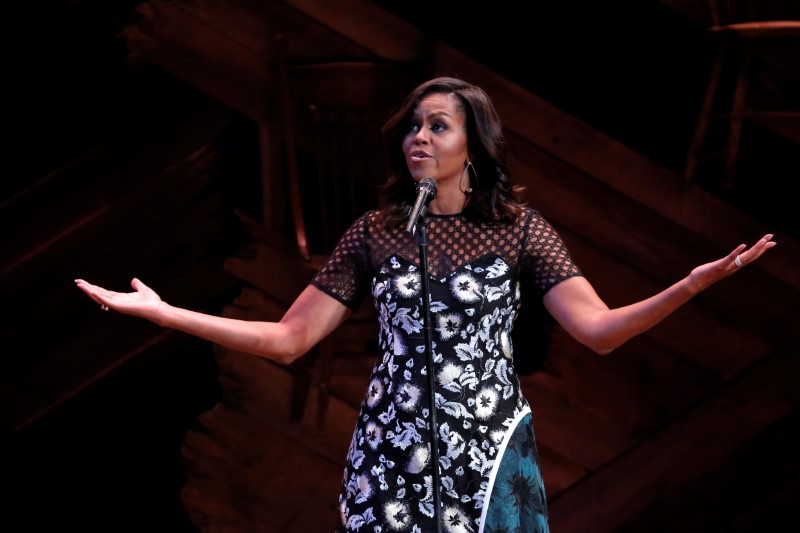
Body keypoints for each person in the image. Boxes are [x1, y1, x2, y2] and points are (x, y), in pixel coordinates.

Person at [75, 77, 775, 533]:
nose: (419, 136)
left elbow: (598, 331)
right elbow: (290, 339)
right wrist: (166, 312)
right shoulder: (378, 231)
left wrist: (689, 285)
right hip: (393, 451)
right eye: (413, 125)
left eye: (438, 125)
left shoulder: (520, 231)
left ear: (473, 145)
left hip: (490, 450)